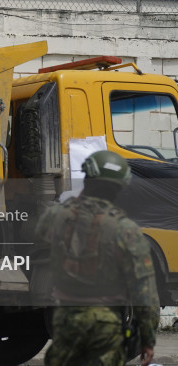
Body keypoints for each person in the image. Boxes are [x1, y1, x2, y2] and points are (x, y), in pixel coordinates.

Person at [35, 150, 159, 366]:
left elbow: (40, 235)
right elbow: (145, 292)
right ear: (121, 187)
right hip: (105, 331)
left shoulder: (56, 217)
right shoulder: (126, 231)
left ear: (87, 178)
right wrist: (147, 340)